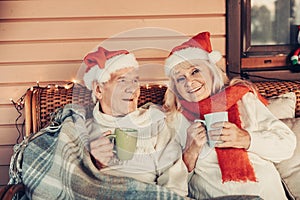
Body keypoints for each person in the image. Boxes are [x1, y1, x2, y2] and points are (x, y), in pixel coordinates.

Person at [163, 31, 297, 200]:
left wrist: (246, 139)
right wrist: (190, 153)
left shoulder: (243, 100)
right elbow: (169, 189)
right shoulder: (175, 118)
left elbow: (287, 147)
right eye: (180, 79)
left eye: (195, 71)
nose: (189, 82)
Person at [82, 46, 189, 197]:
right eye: (122, 81)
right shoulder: (82, 128)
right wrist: (91, 163)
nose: (132, 88)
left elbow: (174, 178)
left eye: (134, 81)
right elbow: (63, 179)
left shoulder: (155, 122)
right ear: (99, 90)